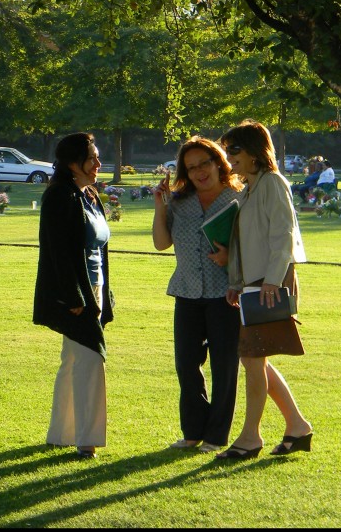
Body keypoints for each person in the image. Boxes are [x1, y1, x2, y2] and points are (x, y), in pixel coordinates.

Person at [214, 119, 312, 460]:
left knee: (253, 360)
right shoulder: (250, 189)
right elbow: (246, 243)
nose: (230, 158)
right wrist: (236, 283)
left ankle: (250, 437)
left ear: (256, 152)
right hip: (253, 286)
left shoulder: (272, 182)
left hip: (268, 285)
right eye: (228, 151)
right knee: (255, 360)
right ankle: (297, 427)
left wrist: (271, 280)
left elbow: (283, 234)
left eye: (235, 150)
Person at [152, 136, 244, 453]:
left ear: (219, 163)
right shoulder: (179, 202)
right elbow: (161, 243)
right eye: (191, 168)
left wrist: (230, 257)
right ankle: (192, 432)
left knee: (224, 367)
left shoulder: (239, 198)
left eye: (204, 163)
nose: (199, 172)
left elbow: (257, 246)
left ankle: (216, 436)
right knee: (186, 365)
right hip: (187, 293)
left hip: (226, 295)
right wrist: (159, 206)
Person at [33, 132, 115, 459]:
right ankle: (87, 440)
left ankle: (61, 433)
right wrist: (75, 298)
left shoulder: (89, 195)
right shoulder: (60, 196)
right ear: (71, 163)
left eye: (97, 157)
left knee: (72, 359)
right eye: (91, 158)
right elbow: (59, 253)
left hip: (94, 289)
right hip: (76, 294)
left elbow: (100, 250)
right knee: (91, 358)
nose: (97, 163)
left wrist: (104, 295)